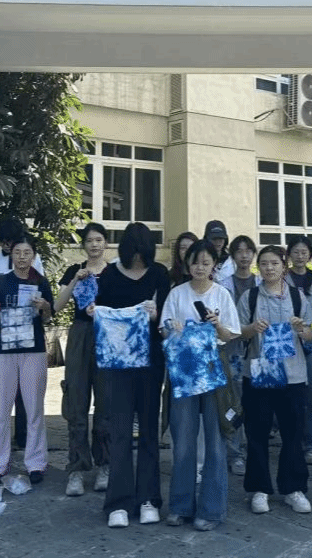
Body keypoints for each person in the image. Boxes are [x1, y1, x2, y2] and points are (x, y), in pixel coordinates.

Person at [92, 222, 171, 529]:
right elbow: (101, 311)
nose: (138, 256)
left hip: (151, 362)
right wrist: (95, 313)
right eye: (133, 250)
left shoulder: (159, 274)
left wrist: (156, 315)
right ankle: (118, 502)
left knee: (149, 429)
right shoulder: (110, 274)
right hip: (118, 364)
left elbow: (168, 320)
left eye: (142, 250)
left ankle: (149, 499)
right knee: (121, 430)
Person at [160, 240, 242, 531]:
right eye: (195, 262)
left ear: (214, 265)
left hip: (214, 368)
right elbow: (164, 329)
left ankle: (211, 509)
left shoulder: (221, 294)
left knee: (215, 438)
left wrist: (217, 324)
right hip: (184, 369)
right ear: (187, 264)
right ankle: (180, 506)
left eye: (206, 263)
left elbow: (230, 335)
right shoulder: (176, 293)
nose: (200, 267)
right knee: (183, 438)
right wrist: (172, 329)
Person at [239, 245, 312, 517]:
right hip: (258, 374)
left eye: (274, 263)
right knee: (257, 432)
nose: (269, 268)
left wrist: (302, 329)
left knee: (293, 433)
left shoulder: (297, 297)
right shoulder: (250, 297)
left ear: (284, 266)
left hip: (293, 375)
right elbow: (238, 333)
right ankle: (259, 489)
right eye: (264, 263)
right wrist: (252, 328)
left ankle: (293, 488)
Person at [0, 232, 54, 486]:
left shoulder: (41, 281)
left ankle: (36, 463)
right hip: (3, 350)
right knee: (0, 409)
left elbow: (48, 317)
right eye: (17, 253)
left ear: (34, 256)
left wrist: (44, 307)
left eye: (27, 253)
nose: (22, 257)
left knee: (34, 409)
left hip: (33, 350)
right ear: (10, 255)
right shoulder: (1, 282)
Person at [55, 222, 111, 497]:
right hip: (79, 334)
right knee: (76, 400)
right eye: (89, 240)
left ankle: (105, 465)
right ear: (84, 245)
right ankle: (76, 468)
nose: (94, 245)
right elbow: (57, 305)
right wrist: (76, 280)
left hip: (107, 334)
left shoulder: (114, 272)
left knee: (106, 404)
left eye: (99, 239)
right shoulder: (74, 271)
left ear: (106, 243)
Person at [216, 234, 259, 476]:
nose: (244, 255)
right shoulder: (224, 285)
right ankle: (235, 453)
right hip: (233, 351)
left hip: (258, 350)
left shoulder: (261, 281)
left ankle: (254, 449)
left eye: (248, 251)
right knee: (233, 401)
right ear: (232, 256)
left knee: (256, 401)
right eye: (239, 251)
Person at [285, 235, 312, 466]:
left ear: (310, 255)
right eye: (296, 252)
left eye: (304, 252)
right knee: (289, 396)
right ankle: (292, 441)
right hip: (288, 344)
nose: (300, 256)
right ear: (289, 254)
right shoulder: (282, 278)